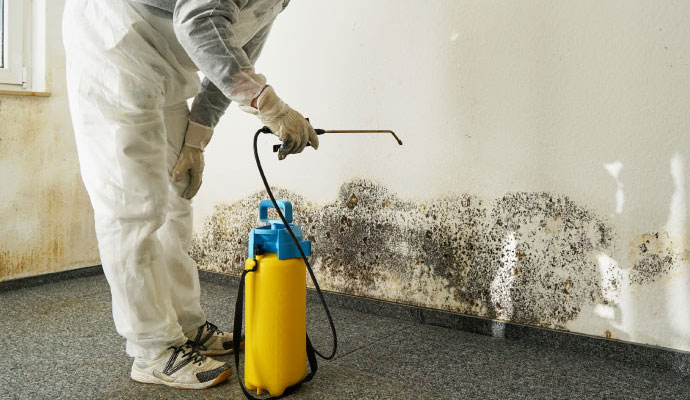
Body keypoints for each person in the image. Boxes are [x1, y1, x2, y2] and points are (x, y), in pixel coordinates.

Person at [62, 0, 318, 390]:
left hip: (164, 66)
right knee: (134, 208)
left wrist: (196, 138)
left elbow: (234, 55)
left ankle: (186, 325)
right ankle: (153, 350)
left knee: (176, 195)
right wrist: (270, 106)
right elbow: (199, 19)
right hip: (114, 47)